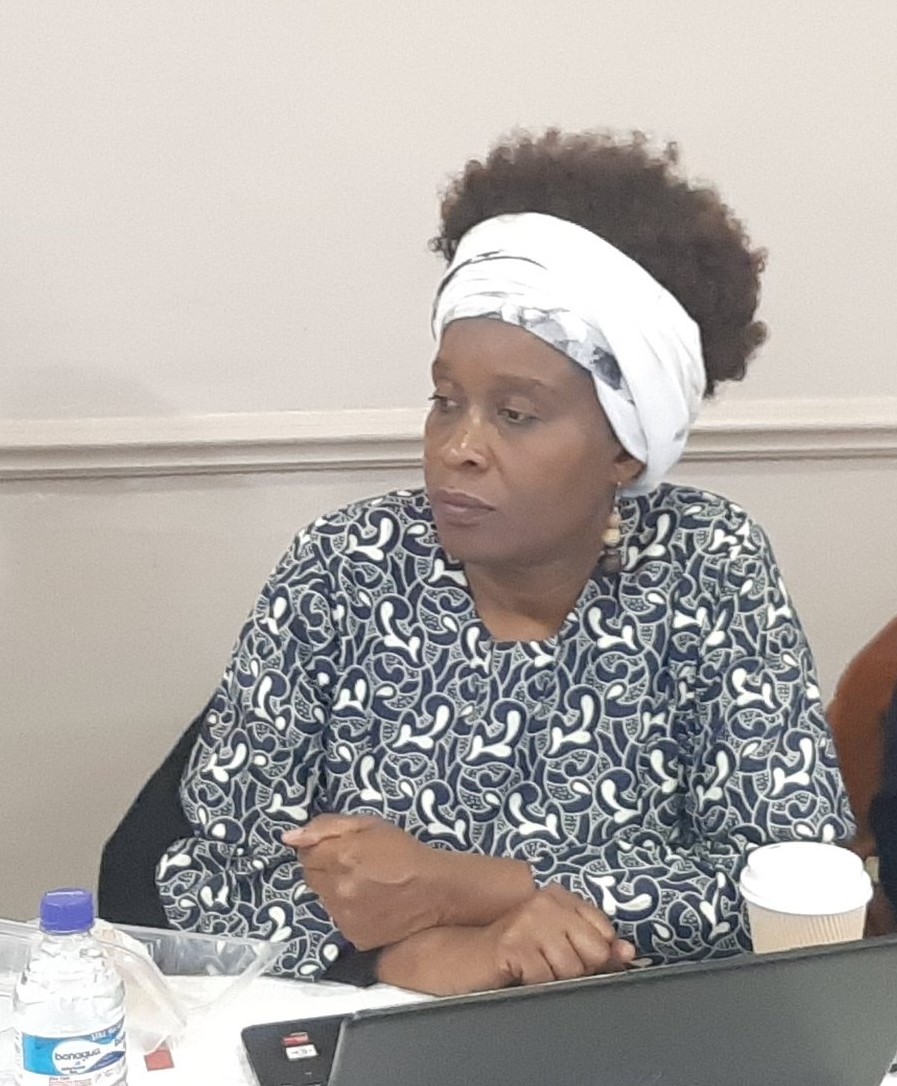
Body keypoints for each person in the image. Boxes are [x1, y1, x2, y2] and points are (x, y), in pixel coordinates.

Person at [127, 130, 853, 995]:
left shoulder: (707, 563)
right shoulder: (346, 565)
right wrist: (425, 958)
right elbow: (204, 874)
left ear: (626, 447)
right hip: (372, 1026)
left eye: (515, 414)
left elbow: (791, 881)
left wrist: (468, 886)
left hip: (640, 1031)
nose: (456, 449)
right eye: (445, 401)